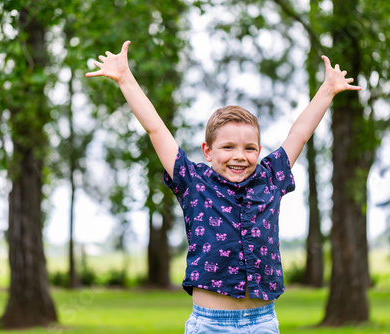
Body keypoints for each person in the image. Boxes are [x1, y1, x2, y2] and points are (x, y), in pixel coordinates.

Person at [86, 40, 361, 333]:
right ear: (208, 151)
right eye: (228, 147)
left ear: (259, 150)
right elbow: (156, 128)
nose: (239, 156)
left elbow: (300, 133)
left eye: (249, 148)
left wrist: (328, 89)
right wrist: (125, 79)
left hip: (262, 322)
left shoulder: (270, 178)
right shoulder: (193, 183)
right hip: (210, 323)